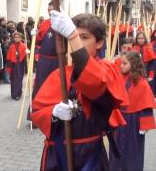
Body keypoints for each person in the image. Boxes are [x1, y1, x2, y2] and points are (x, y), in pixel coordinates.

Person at [31, 11, 129, 170]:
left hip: (90, 157)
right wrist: (53, 114)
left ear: (99, 43)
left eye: (83, 37)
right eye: (75, 37)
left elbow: (95, 84)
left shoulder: (107, 70)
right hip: (58, 155)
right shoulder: (60, 74)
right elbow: (37, 112)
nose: (76, 41)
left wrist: (72, 35)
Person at [109, 51, 156, 171]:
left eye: (124, 63)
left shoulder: (142, 83)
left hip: (133, 121)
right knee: (116, 149)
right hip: (119, 119)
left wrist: (144, 125)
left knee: (133, 150)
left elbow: (145, 105)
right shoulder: (119, 78)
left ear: (133, 64)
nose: (121, 66)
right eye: (121, 63)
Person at [6, 32, 27, 100]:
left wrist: (27, 53)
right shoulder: (12, 46)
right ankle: (13, 93)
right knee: (13, 79)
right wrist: (8, 66)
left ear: (21, 38)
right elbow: (9, 57)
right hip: (13, 65)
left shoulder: (23, 46)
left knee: (19, 79)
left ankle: (18, 93)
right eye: (15, 37)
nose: (16, 39)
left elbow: (25, 56)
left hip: (20, 65)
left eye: (18, 37)